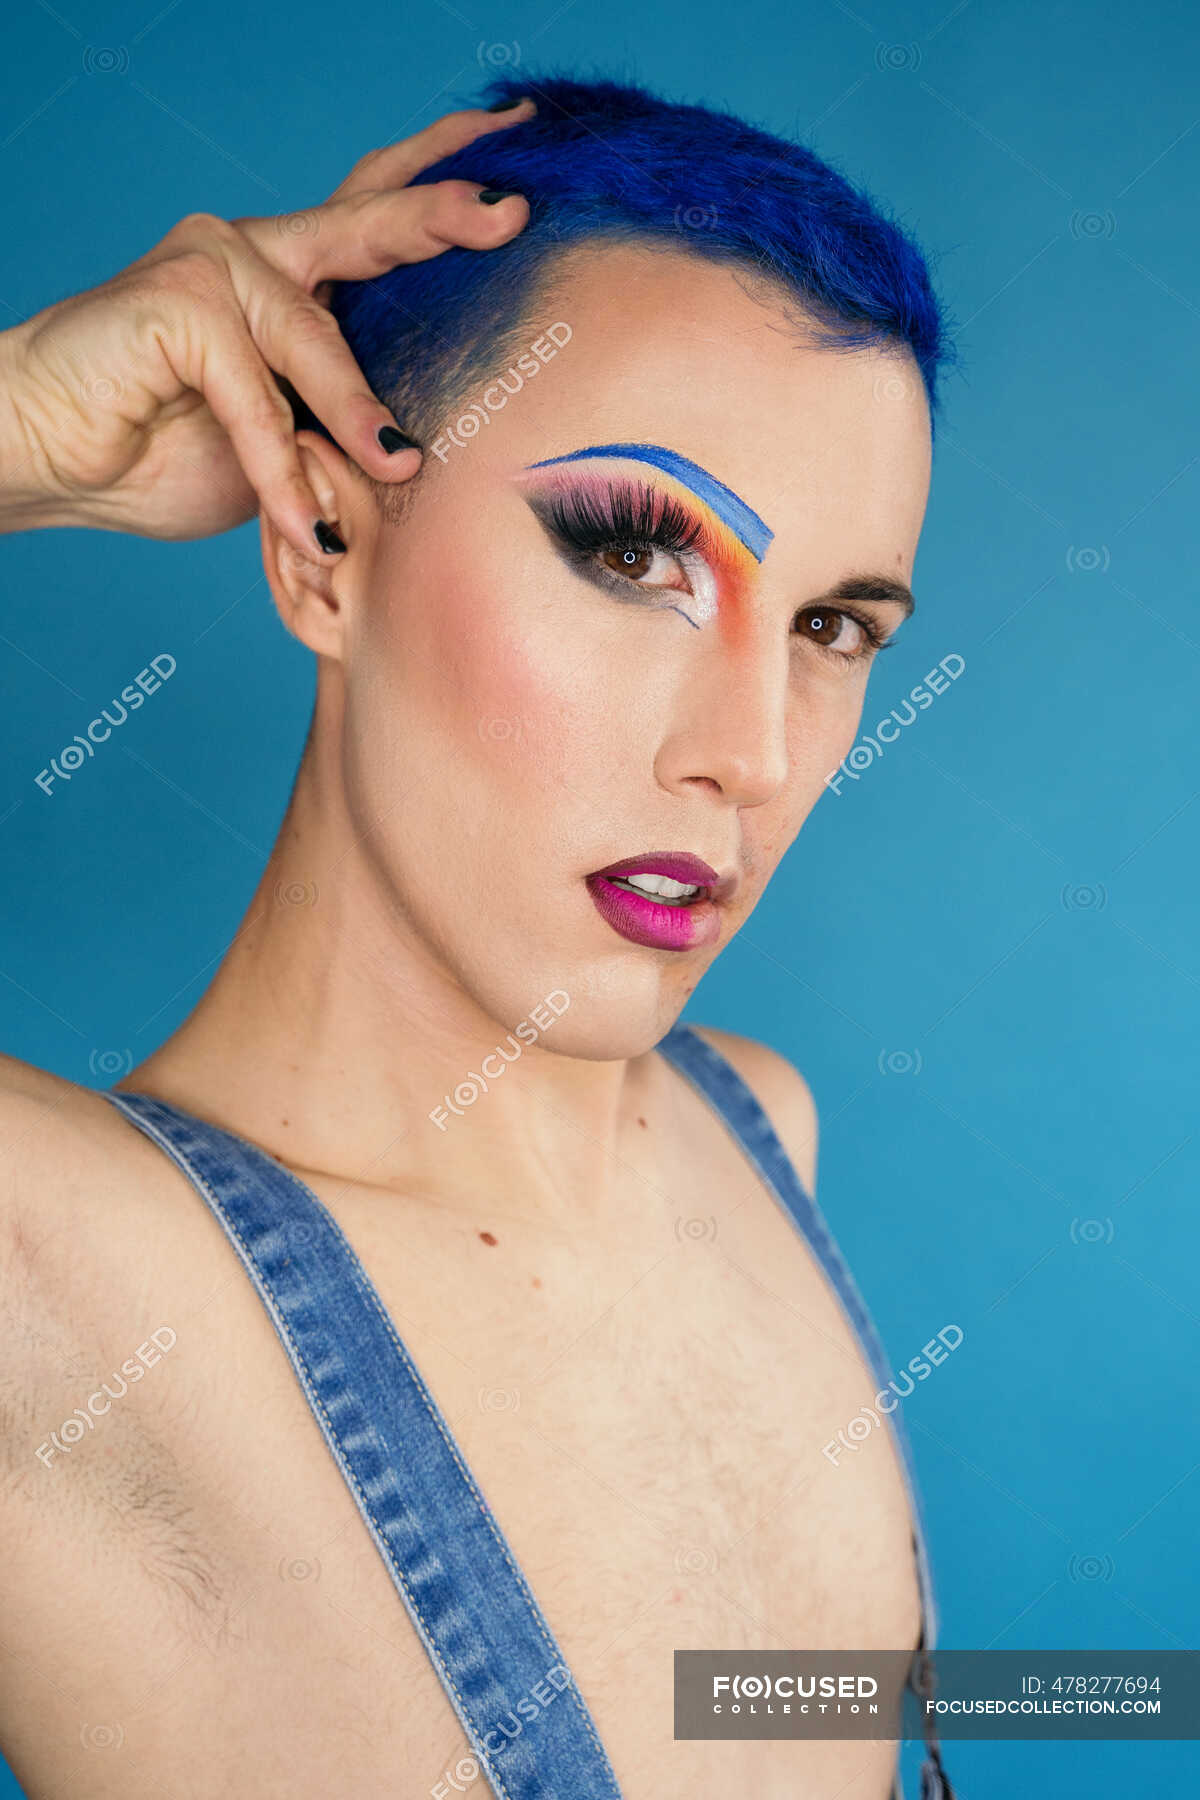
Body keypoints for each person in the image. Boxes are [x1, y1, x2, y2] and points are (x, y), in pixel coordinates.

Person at [0, 71, 958, 1800]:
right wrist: (16, 424)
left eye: (831, 622)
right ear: (323, 544)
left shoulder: (764, 1134)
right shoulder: (53, 1281)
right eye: (632, 555)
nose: (744, 752)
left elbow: (751, 1715)